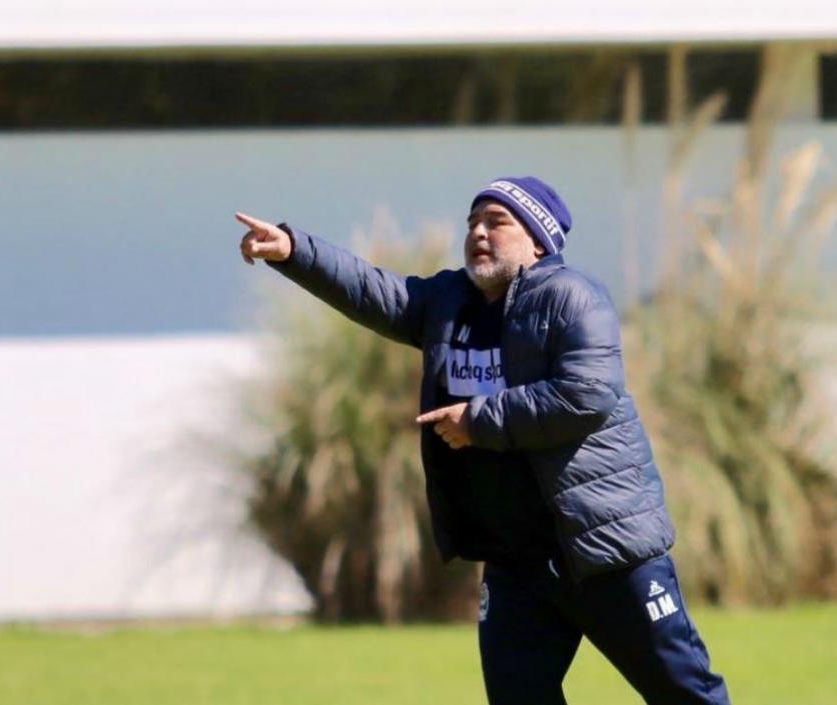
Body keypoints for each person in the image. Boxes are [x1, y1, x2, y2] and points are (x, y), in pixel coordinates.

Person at [236, 176, 732, 705]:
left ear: (538, 240)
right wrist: (293, 251)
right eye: (472, 222)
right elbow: (371, 289)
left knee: (685, 693)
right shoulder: (448, 301)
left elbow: (587, 394)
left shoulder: (572, 296)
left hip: (604, 551)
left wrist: (478, 420)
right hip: (516, 560)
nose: (478, 232)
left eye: (496, 222)